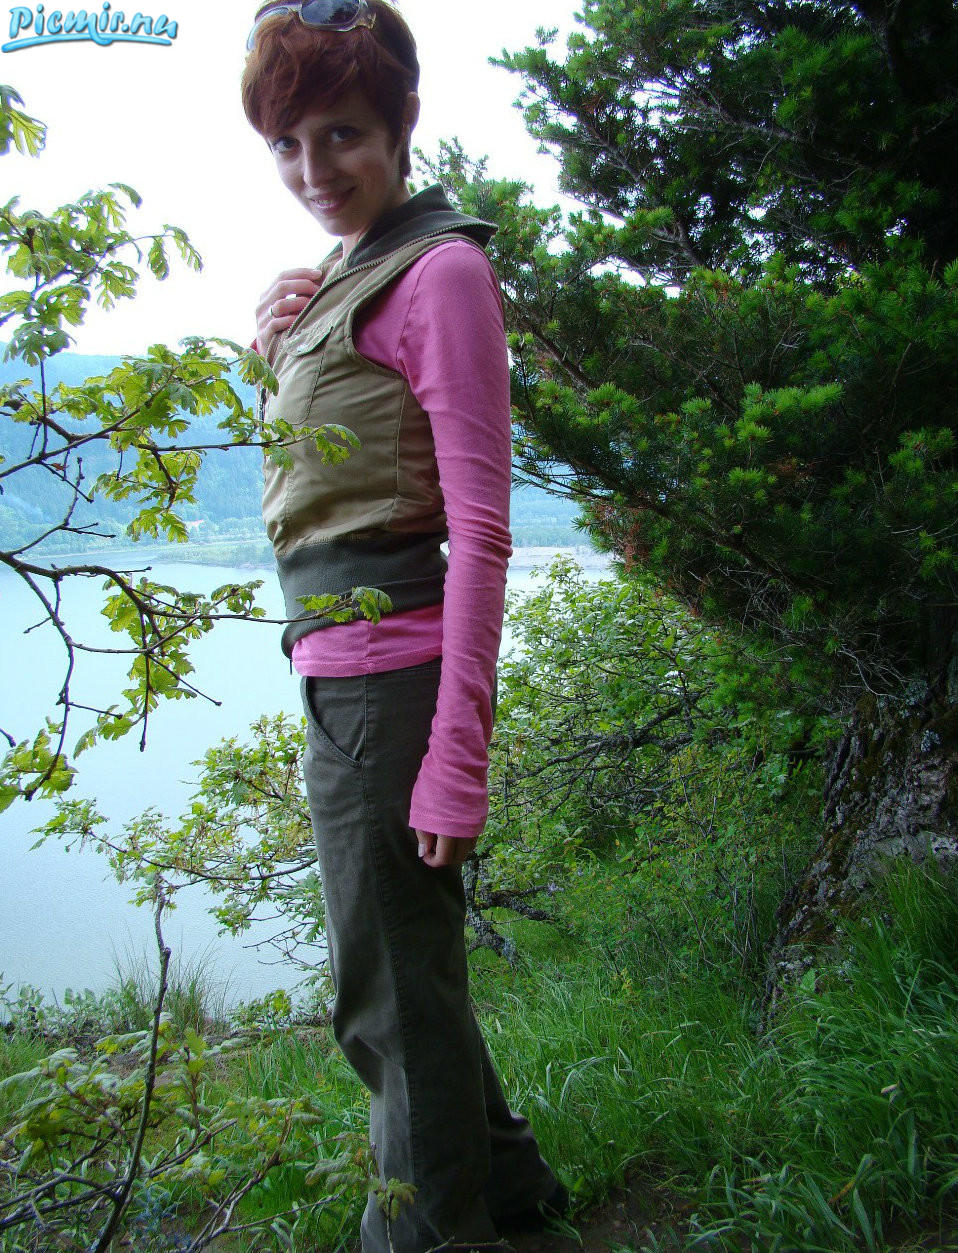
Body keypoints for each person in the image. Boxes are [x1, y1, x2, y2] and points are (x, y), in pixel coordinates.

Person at [240, 4, 565, 1251]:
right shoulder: (355, 271)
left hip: (390, 687)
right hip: (344, 677)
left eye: (342, 134)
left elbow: (481, 528)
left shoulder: (441, 273)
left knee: (384, 1002)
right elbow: (331, 477)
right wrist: (274, 349)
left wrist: (456, 757)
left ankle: (433, 1234)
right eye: (287, 143)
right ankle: (514, 1196)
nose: (312, 169)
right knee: (404, 975)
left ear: (402, 124)